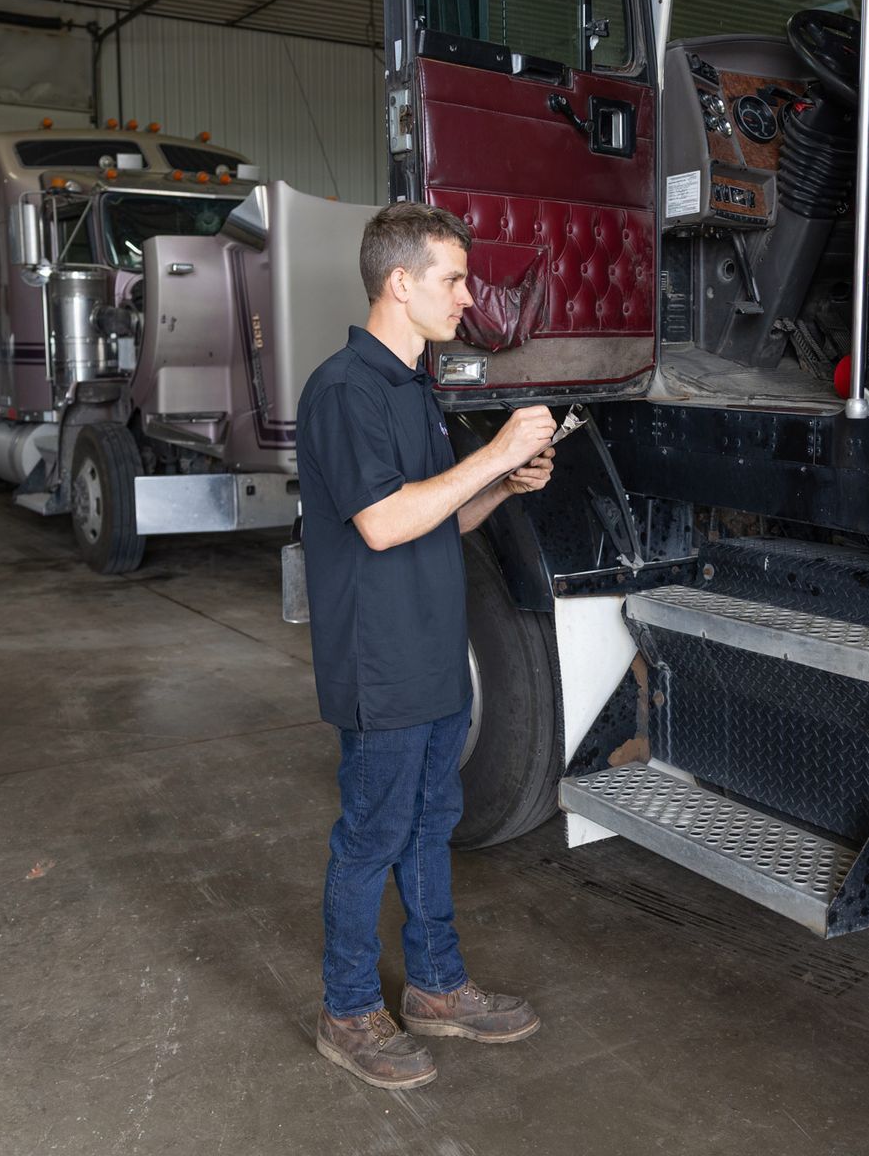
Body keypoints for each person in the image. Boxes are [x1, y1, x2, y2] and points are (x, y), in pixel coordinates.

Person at [296, 202, 558, 1090]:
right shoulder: (344, 391)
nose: (469, 293)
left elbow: (439, 520)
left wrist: (505, 483)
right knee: (371, 836)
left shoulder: (417, 388)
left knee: (431, 824)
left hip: (439, 658)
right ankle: (347, 1009)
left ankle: (438, 989)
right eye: (453, 277)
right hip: (383, 664)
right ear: (399, 284)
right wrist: (491, 456)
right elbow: (381, 524)